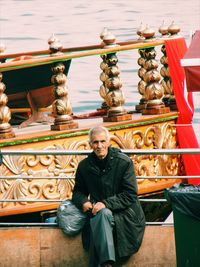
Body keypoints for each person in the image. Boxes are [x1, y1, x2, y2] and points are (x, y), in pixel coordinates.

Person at [72, 126, 145, 267]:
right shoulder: (84, 166)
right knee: (102, 216)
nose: (99, 146)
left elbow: (130, 194)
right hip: (98, 212)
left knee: (102, 215)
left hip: (126, 214)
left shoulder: (123, 162)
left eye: (102, 141)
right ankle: (107, 264)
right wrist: (83, 202)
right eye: (95, 142)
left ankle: (104, 264)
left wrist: (105, 203)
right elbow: (78, 192)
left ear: (109, 142)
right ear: (90, 145)